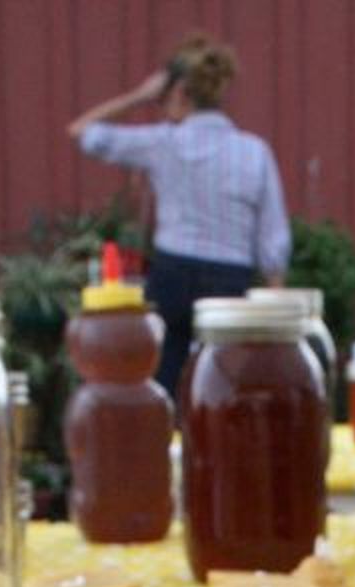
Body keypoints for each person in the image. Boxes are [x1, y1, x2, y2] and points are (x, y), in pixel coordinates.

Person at [68, 33, 292, 399]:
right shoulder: (255, 152)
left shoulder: (162, 143)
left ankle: (161, 449)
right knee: (225, 387)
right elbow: (273, 238)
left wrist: (139, 96)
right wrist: (276, 305)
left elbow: (82, 132)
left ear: (180, 92)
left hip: (173, 275)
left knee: (162, 382)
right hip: (230, 282)